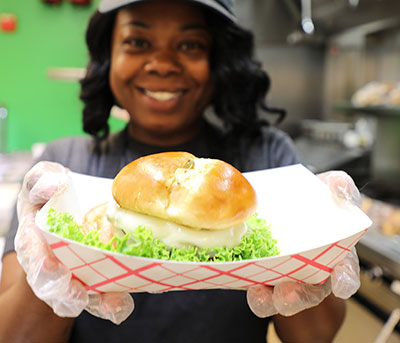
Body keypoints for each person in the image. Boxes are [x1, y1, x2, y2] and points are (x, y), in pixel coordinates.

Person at [0, 0, 361, 342]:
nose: (162, 64)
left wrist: (320, 253)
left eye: (189, 45)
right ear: (109, 56)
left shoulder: (267, 157)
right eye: (138, 42)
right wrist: (48, 271)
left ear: (219, 59)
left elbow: (317, 336)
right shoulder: (65, 172)